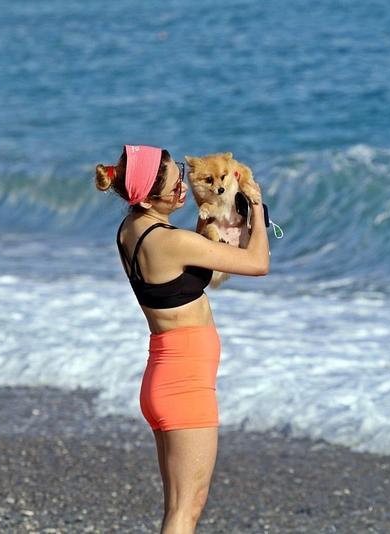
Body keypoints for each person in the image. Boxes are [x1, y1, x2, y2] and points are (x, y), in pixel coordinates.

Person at [94, 145, 269, 533]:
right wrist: (257, 205)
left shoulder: (132, 230)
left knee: (177, 510)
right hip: (184, 386)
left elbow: (184, 264)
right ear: (150, 195)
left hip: (163, 375)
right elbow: (258, 263)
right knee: (185, 512)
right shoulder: (170, 240)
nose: (184, 192)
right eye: (176, 188)